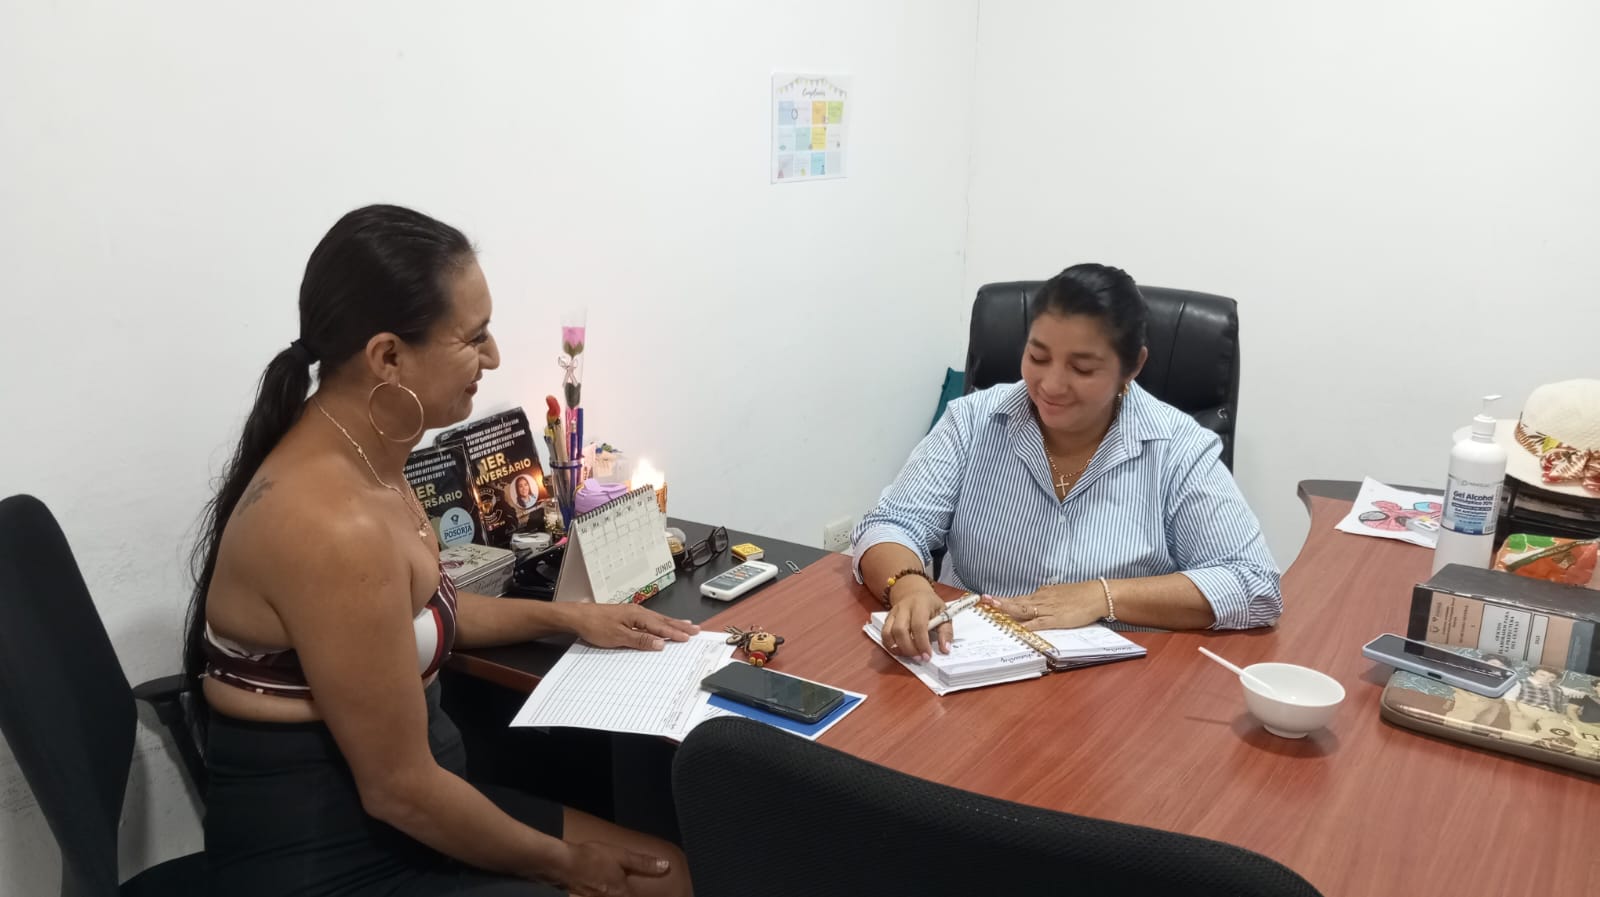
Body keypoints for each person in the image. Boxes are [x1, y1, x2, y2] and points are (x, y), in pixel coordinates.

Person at [186, 205, 695, 897]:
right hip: (334, 855)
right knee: (640, 884)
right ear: (388, 357)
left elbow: (420, 611)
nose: (494, 357)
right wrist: (568, 863)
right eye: (475, 337)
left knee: (671, 874)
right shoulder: (334, 526)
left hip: (410, 809)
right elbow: (399, 789)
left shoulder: (369, 453)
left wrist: (571, 617)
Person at [854, 264, 1282, 660]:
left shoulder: (1178, 447)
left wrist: (1102, 596)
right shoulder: (973, 421)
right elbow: (891, 523)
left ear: (1132, 367)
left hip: (1115, 685)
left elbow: (1254, 584)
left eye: (1082, 368)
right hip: (971, 661)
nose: (1052, 385)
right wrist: (907, 585)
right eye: (1038, 358)